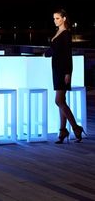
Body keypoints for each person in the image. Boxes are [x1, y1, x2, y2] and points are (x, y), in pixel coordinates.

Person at [44, 8, 86, 144]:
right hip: (56, 69)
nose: (55, 21)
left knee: (59, 101)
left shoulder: (66, 34)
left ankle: (76, 128)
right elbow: (55, 50)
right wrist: (45, 53)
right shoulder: (58, 32)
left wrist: (68, 73)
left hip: (63, 70)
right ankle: (62, 131)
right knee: (62, 101)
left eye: (57, 18)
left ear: (64, 19)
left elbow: (67, 55)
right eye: (54, 18)